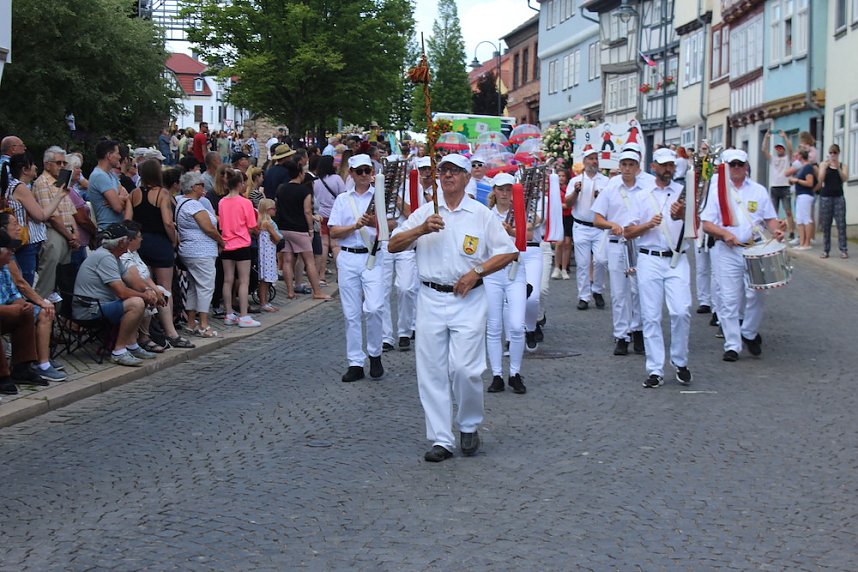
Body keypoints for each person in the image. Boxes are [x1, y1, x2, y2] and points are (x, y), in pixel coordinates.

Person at [388, 154, 518, 462]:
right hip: (431, 297)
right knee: (431, 371)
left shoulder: (480, 214)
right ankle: (441, 439)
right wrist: (420, 231)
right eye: (443, 171)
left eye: (455, 171)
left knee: (464, 369)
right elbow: (393, 244)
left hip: (468, 299)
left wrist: (477, 272)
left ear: (466, 178)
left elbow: (508, 252)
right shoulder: (424, 213)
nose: (448, 176)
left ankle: (469, 423)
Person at [702, 149, 784, 362]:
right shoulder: (716, 191)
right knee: (729, 299)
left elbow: (770, 219)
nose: (737, 168)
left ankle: (747, 332)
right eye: (733, 164)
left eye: (740, 164)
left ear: (746, 166)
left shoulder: (758, 190)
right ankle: (732, 345)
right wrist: (724, 233)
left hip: (753, 248)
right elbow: (707, 224)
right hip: (727, 250)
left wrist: (777, 230)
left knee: (758, 294)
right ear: (726, 167)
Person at [623, 148, 693, 388]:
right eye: (664, 165)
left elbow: (697, 226)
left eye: (671, 166)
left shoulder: (683, 194)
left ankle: (680, 361)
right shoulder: (641, 196)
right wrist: (647, 225)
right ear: (654, 167)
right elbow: (627, 231)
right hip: (649, 258)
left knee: (681, 310)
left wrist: (684, 214)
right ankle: (655, 369)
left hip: (677, 257)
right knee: (651, 315)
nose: (668, 170)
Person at [327, 154, 387, 382]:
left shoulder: (379, 196)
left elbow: (392, 223)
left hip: (372, 256)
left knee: (374, 307)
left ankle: (375, 353)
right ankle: (355, 362)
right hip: (350, 257)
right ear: (351, 173)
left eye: (367, 170)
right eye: (359, 171)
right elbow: (333, 231)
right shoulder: (342, 200)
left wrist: (374, 223)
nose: (364, 175)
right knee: (351, 313)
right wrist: (354, 226)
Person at [73, 223, 160, 367]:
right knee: (136, 303)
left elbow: (133, 281)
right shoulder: (105, 258)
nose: (129, 243)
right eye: (128, 240)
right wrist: (145, 296)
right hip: (90, 309)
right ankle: (119, 352)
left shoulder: (113, 256)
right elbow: (121, 292)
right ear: (121, 242)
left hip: (100, 305)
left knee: (140, 299)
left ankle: (132, 346)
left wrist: (149, 291)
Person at [130, 159, 194, 349]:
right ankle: (170, 332)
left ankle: (145, 334)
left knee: (146, 288)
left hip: (141, 242)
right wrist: (173, 239)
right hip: (160, 242)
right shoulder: (162, 194)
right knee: (164, 289)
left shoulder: (134, 194)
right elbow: (167, 222)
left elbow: (127, 220)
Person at [592, 150, 645, 356]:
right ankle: (621, 334)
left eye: (632, 165)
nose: (628, 169)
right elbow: (597, 219)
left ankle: (638, 329)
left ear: (637, 167)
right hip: (617, 243)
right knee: (619, 292)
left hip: (639, 243)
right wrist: (611, 224)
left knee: (638, 289)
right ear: (620, 166)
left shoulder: (645, 190)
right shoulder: (611, 190)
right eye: (624, 164)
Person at [483, 173, 527, 393]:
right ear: (494, 191)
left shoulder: (519, 212)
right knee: (494, 325)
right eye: (501, 189)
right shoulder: (486, 215)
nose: (505, 193)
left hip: (515, 270)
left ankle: (515, 373)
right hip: (493, 272)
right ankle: (497, 374)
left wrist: (513, 231)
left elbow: (529, 236)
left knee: (517, 325)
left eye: (509, 189)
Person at [1, 153, 66, 286]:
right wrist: (60, 195)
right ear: (25, 169)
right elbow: (41, 216)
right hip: (26, 243)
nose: (36, 167)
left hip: (17, 242)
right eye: (33, 165)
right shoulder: (20, 187)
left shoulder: (10, 185)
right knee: (26, 282)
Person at [176, 172, 224, 338]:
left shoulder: (180, 201)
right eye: (201, 185)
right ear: (194, 187)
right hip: (201, 251)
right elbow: (208, 228)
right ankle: (203, 324)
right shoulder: (194, 205)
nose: (204, 188)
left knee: (194, 287)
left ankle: (191, 322)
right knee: (205, 286)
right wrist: (221, 240)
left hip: (189, 250)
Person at [565, 148, 609, 310]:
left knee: (601, 260)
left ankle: (597, 289)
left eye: (595, 158)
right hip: (581, 226)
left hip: (599, 227)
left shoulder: (605, 181)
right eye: (590, 159)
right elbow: (568, 203)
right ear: (584, 162)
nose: (594, 161)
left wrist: (601, 197)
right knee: (583, 263)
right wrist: (576, 191)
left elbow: (611, 204)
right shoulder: (575, 181)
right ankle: (583, 296)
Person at [218, 170, 260, 328]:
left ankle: (229, 313)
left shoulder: (222, 202)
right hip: (242, 243)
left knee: (227, 280)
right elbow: (252, 225)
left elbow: (222, 225)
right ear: (239, 184)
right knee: (243, 280)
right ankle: (243, 315)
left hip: (226, 243)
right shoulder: (245, 202)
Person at [314, 155, 346, 275]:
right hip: (335, 214)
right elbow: (343, 195)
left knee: (324, 245)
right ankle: (340, 274)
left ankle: (321, 275)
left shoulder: (316, 182)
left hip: (321, 215)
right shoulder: (337, 179)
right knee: (335, 245)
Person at [89, 139, 131, 230]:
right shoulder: (99, 176)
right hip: (108, 229)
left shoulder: (111, 174)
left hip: (118, 227)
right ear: (109, 155)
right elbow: (118, 207)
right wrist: (121, 199)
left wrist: (119, 198)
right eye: (117, 153)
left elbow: (125, 193)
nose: (120, 157)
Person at [816, 144, 849, 259]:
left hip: (839, 197)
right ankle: (826, 250)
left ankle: (843, 249)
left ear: (838, 154)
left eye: (835, 153)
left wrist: (838, 168)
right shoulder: (823, 164)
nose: (833, 155)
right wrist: (825, 167)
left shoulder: (843, 165)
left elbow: (844, 178)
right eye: (831, 153)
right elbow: (820, 179)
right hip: (826, 197)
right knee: (826, 225)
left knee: (841, 224)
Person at [763, 130, 795, 239]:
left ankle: (791, 231)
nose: (779, 150)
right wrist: (766, 138)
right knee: (774, 212)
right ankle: (775, 231)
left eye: (781, 148)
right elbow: (764, 150)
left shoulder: (787, 159)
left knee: (788, 211)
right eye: (777, 148)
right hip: (774, 187)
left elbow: (790, 149)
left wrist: (785, 137)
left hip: (785, 186)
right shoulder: (773, 159)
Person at [255, 198, 280, 312]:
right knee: (265, 280)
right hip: (268, 254)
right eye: (273, 209)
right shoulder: (267, 223)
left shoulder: (260, 222)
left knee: (263, 279)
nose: (275, 211)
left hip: (265, 253)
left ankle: (264, 301)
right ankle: (263, 302)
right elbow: (277, 238)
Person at [788, 150, 816, 250]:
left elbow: (810, 182)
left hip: (806, 195)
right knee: (799, 219)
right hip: (800, 194)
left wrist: (797, 180)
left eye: (797, 155)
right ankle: (802, 242)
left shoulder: (808, 167)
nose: (795, 156)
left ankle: (807, 243)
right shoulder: (802, 168)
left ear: (800, 156)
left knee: (806, 218)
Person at [551, 166, 573, 280]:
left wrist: (564, 206)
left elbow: (571, 203)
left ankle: (564, 268)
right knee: (559, 242)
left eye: (563, 176)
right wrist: (563, 206)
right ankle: (556, 267)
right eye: (559, 176)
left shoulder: (570, 188)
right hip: (559, 217)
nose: (561, 178)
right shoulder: (554, 189)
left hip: (569, 216)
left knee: (568, 242)